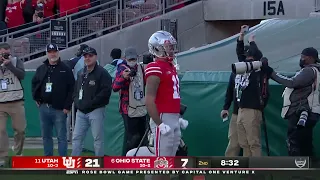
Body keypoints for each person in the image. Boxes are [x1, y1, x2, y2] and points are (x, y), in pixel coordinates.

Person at [145, 31, 187, 180]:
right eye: (168, 46)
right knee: (161, 164)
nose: (171, 50)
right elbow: (149, 99)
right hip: (162, 118)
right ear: (157, 48)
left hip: (173, 118)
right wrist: (159, 123)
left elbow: (171, 95)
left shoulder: (170, 67)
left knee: (170, 163)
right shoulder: (155, 67)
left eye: (171, 46)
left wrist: (176, 118)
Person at [262, 47, 320, 157]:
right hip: (310, 111)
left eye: (303, 57)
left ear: (311, 58)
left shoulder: (309, 71)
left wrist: (271, 73)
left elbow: (292, 83)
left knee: (294, 142)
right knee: (305, 143)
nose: (301, 59)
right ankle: (310, 169)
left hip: (302, 111)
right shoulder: (315, 71)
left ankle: (296, 170)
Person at [31, 43, 75, 156]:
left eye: (54, 51)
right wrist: (36, 98)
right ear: (47, 54)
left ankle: (62, 161)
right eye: (50, 52)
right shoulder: (41, 68)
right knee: (46, 136)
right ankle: (48, 160)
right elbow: (35, 84)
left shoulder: (65, 69)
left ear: (58, 52)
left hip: (60, 109)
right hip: (44, 107)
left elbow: (72, 88)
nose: (52, 54)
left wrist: (67, 106)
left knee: (61, 136)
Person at [72, 47, 112, 156]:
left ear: (96, 57)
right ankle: (74, 164)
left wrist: (91, 103)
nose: (87, 58)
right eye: (85, 56)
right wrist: (76, 101)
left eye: (90, 56)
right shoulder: (81, 72)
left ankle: (99, 164)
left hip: (96, 110)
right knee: (76, 138)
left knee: (98, 140)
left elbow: (105, 92)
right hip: (81, 111)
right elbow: (76, 90)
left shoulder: (102, 73)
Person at [234, 33, 269, 157]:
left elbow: (258, 55)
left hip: (252, 109)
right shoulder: (243, 67)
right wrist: (241, 37)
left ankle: (257, 171)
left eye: (249, 56)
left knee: (253, 143)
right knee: (244, 143)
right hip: (241, 109)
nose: (246, 59)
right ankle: (248, 171)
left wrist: (252, 41)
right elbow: (239, 53)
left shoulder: (258, 68)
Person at [112, 47, 147, 156]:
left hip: (141, 106)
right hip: (127, 109)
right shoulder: (121, 68)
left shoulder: (141, 68)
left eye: (133, 59)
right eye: (130, 59)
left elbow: (145, 83)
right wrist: (123, 77)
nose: (132, 61)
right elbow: (115, 87)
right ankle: (128, 161)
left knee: (142, 137)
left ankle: (139, 161)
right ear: (125, 58)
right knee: (132, 137)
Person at [0, 43, 26, 166]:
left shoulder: (15, 61)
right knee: (0, 130)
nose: (5, 55)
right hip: (1, 102)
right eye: (2, 54)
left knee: (20, 130)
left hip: (16, 100)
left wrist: (9, 64)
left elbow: (22, 75)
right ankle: (3, 156)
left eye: (7, 53)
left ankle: (18, 152)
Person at [220, 72, 240, 157]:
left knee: (250, 143)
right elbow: (230, 91)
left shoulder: (256, 70)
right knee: (233, 142)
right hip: (236, 113)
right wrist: (226, 107)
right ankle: (228, 166)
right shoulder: (236, 71)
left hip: (250, 112)